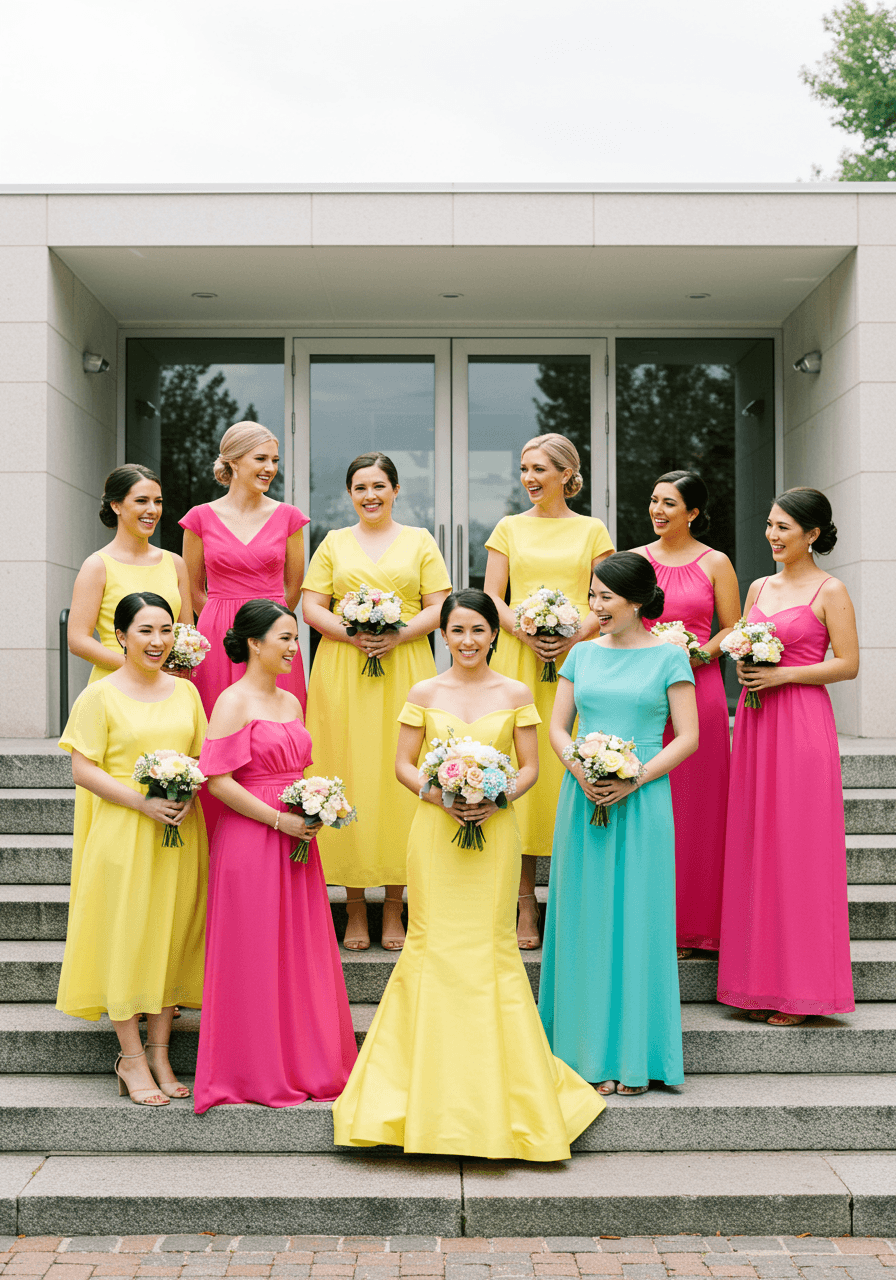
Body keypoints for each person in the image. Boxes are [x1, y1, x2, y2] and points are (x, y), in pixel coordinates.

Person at [332, 590, 605, 1158]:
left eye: (478, 630)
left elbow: (531, 766)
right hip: (435, 834)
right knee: (432, 945)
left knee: (490, 947)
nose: (468, 641)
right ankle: (418, 1091)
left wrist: (497, 794)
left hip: (495, 832)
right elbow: (404, 763)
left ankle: (507, 1093)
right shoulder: (424, 692)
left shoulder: (516, 692)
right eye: (457, 631)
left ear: (494, 634)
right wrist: (441, 796)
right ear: (444, 635)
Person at [539, 552, 699, 1096]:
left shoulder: (669, 658)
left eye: (606, 596)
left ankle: (635, 1056)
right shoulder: (580, 655)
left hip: (644, 800)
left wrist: (635, 779)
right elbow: (559, 728)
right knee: (584, 922)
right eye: (592, 595)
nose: (596, 606)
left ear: (636, 600)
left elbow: (689, 736)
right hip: (581, 797)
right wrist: (581, 768)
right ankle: (582, 1056)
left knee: (637, 921)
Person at [194, 599, 357, 1112]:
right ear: (254, 643)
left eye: (294, 637)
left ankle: (308, 1062)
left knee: (299, 950)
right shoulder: (232, 702)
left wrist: (316, 806)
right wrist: (277, 819)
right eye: (285, 638)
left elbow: (298, 769)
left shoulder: (291, 702)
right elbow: (217, 780)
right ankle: (254, 1069)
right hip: (251, 838)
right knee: (256, 950)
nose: (293, 647)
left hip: (297, 838)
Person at [56, 592, 208, 1106]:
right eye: (145, 630)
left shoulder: (187, 693)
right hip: (124, 830)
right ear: (120, 636)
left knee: (171, 935)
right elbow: (83, 768)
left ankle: (161, 1051)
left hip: (181, 834)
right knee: (128, 936)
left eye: (166, 630)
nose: (158, 641)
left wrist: (187, 791)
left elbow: (199, 757)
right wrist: (142, 803)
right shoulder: (99, 696)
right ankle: (131, 1058)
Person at [717, 488, 858, 1025]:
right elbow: (744, 642)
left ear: (813, 534)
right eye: (770, 526)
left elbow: (847, 664)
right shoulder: (757, 586)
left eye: (784, 528)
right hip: (755, 723)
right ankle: (756, 983)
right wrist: (747, 668)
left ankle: (803, 991)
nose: (773, 536)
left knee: (799, 848)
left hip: (801, 723)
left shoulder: (831, 589)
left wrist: (782, 674)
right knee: (758, 842)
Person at [302, 452, 451, 952]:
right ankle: (355, 906)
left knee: (397, 779)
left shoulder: (420, 541)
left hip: (404, 668)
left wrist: (397, 634)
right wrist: (353, 634)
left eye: (379, 486)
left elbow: (440, 607)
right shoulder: (333, 542)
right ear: (349, 494)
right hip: (342, 672)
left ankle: (394, 905)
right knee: (347, 773)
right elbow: (310, 607)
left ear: (395, 490)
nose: (370, 495)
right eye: (360, 487)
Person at [484, 433, 614, 949]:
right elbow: (493, 592)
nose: (529, 479)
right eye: (523, 469)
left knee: (568, 770)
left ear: (566, 473)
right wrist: (524, 631)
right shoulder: (508, 528)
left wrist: (571, 634)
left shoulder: (593, 529)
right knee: (524, 770)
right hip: (519, 659)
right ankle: (524, 906)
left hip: (579, 659)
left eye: (539, 469)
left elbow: (604, 594)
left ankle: (571, 899)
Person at [631, 471, 740, 958]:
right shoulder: (634, 561)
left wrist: (697, 654)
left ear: (693, 512)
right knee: (651, 805)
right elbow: (620, 621)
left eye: (669, 503)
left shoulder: (716, 562)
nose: (657, 510)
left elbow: (734, 629)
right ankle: (646, 919)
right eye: (654, 501)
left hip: (701, 689)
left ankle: (697, 927)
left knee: (699, 808)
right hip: (644, 691)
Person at [179, 422, 309, 717]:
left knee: (277, 726)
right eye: (261, 459)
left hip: (274, 633)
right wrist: (221, 620)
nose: (270, 468)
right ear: (234, 462)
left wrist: (266, 625)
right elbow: (193, 589)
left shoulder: (289, 518)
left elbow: (292, 591)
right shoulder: (199, 518)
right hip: (218, 634)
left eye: (274, 460)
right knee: (216, 721)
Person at [68, 465, 192, 683]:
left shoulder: (175, 564)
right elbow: (78, 640)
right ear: (116, 505)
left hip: (166, 687)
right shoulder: (97, 566)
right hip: (114, 685)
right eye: (142, 501)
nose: (153, 510)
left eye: (158, 501)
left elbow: (186, 636)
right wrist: (140, 667)